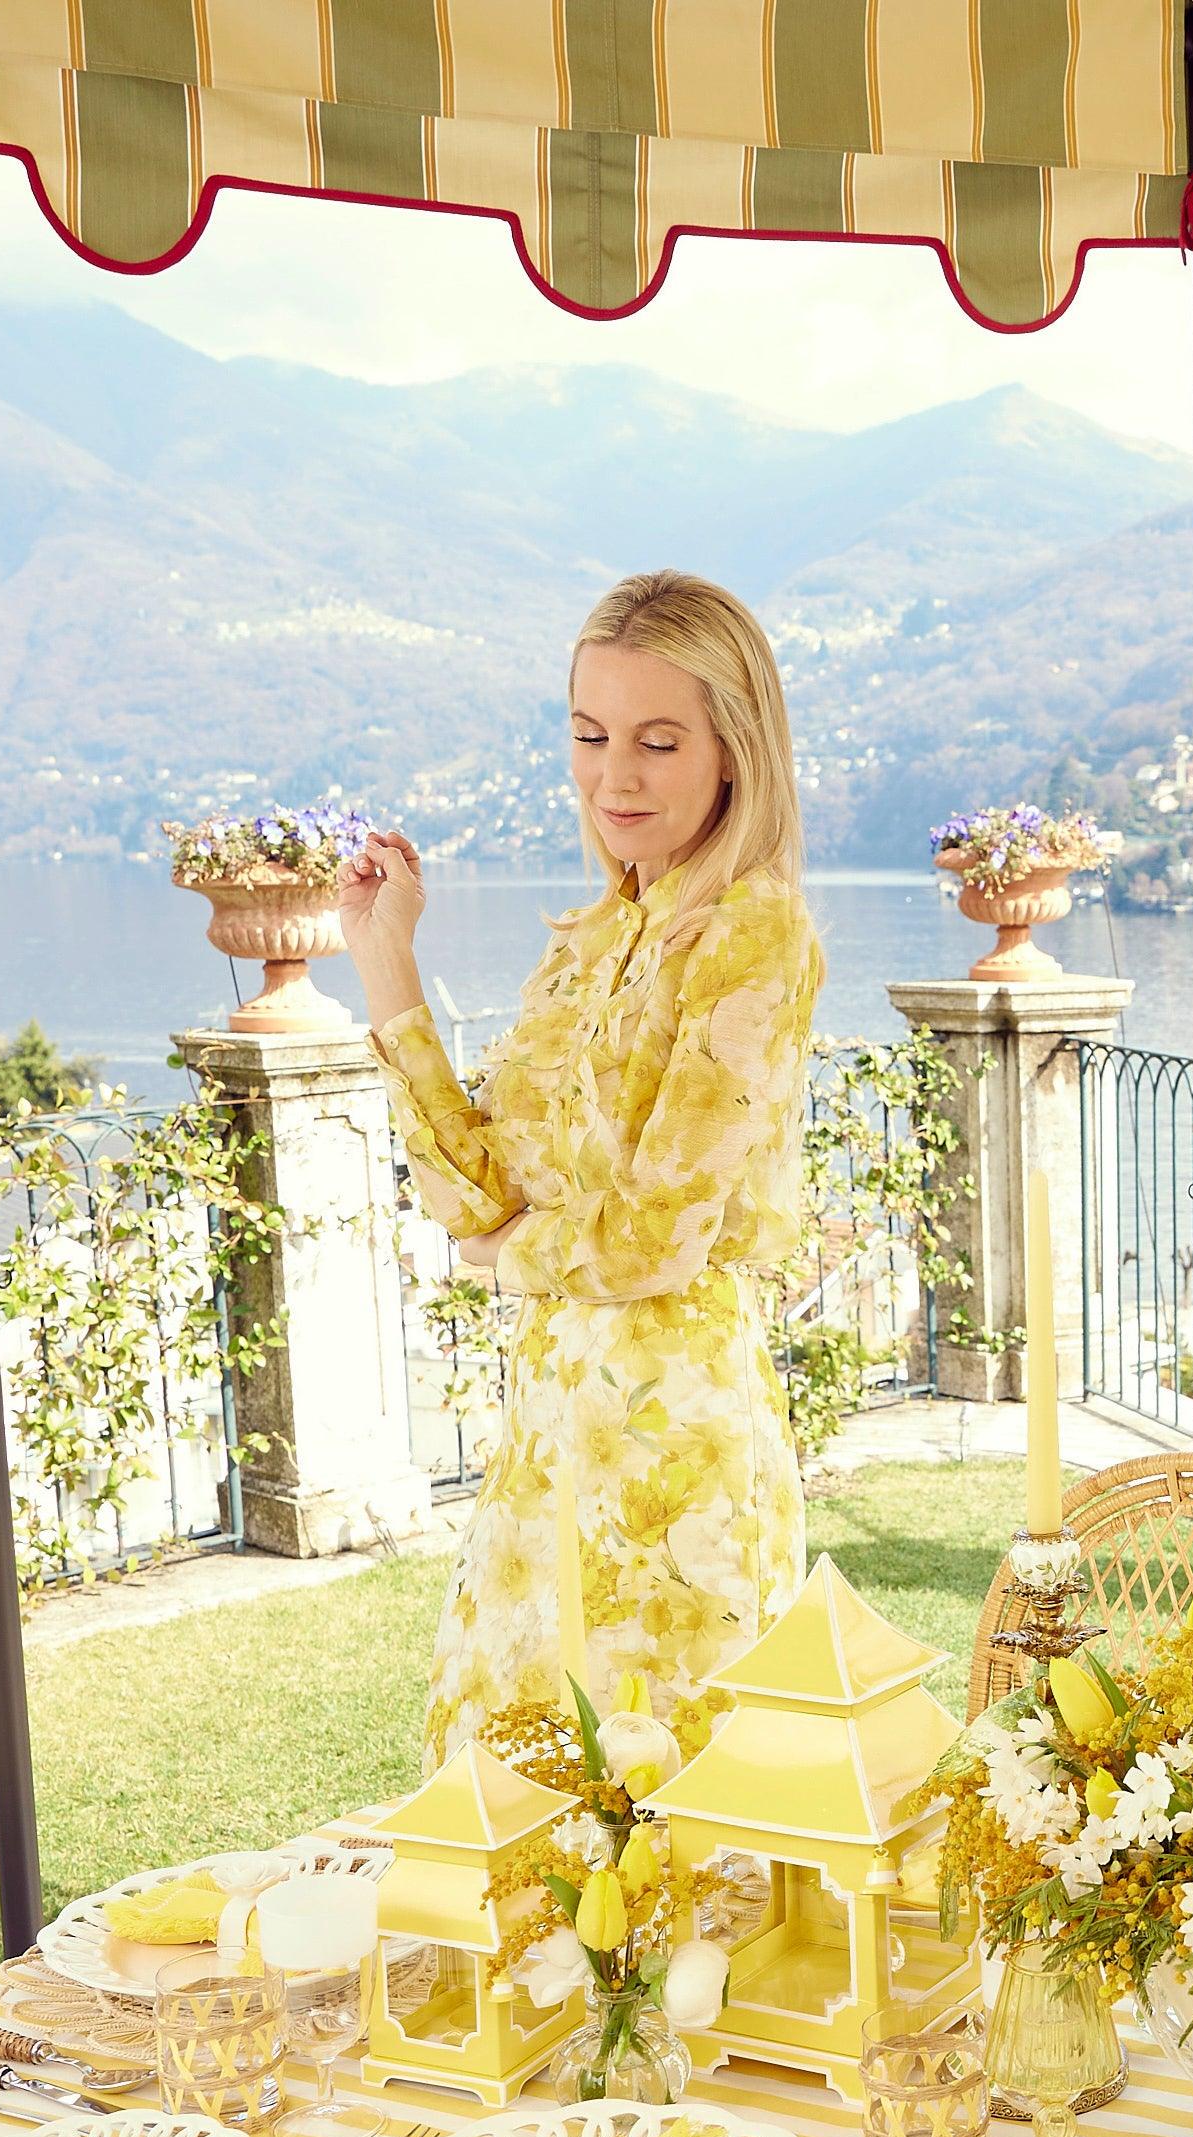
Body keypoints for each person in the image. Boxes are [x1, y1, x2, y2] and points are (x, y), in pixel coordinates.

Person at [338, 570, 822, 1763]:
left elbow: (659, 1240)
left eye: (659, 741)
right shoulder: (597, 939)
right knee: (504, 1803)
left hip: (676, 1443)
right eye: (593, 735)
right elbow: (473, 1198)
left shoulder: (754, 934)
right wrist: (387, 962)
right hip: (549, 1426)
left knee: (669, 1825)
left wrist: (512, 1256)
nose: (615, 777)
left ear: (733, 750)